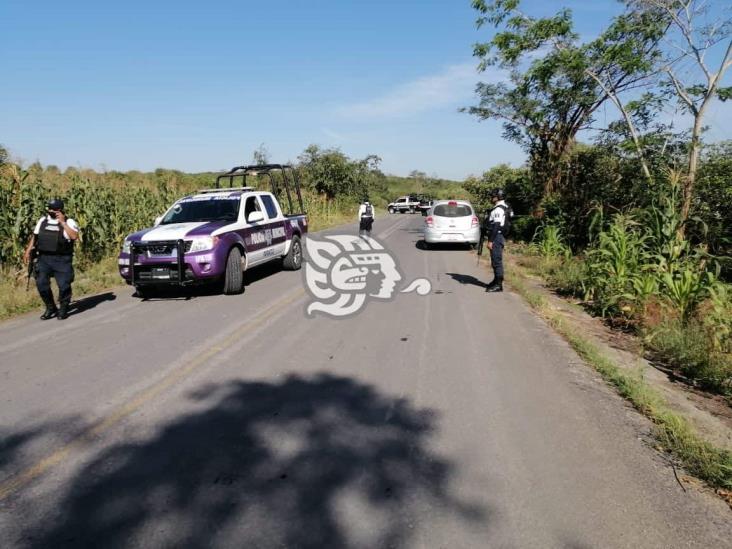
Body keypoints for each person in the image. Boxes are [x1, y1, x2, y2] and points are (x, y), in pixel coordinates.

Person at [23, 198, 80, 320]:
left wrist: (63, 222)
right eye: (49, 209)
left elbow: (74, 236)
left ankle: (63, 308)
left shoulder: (69, 222)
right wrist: (28, 250)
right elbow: (35, 237)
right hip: (44, 258)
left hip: (62, 259)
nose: (50, 211)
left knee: (64, 285)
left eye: (53, 209)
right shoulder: (43, 221)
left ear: (59, 210)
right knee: (41, 283)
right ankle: (51, 308)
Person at [485, 188, 509, 292]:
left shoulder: (498, 209)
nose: (491, 197)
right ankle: (496, 280)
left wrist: (490, 241)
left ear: (498, 197)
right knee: (495, 260)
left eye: (493, 196)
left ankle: (499, 285)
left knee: (496, 261)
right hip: (498, 236)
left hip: (496, 237)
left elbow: (496, 226)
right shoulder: (504, 206)